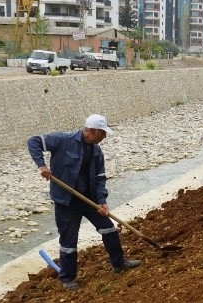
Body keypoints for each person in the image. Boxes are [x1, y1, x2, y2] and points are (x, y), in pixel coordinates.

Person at [27, 114, 141, 290]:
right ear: (92, 132)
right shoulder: (63, 140)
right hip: (66, 202)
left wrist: (102, 201)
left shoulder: (96, 151)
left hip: (89, 200)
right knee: (69, 242)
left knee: (109, 229)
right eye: (103, 134)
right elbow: (33, 141)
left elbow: (100, 177)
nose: (104, 138)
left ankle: (118, 264)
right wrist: (42, 166)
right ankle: (67, 279)